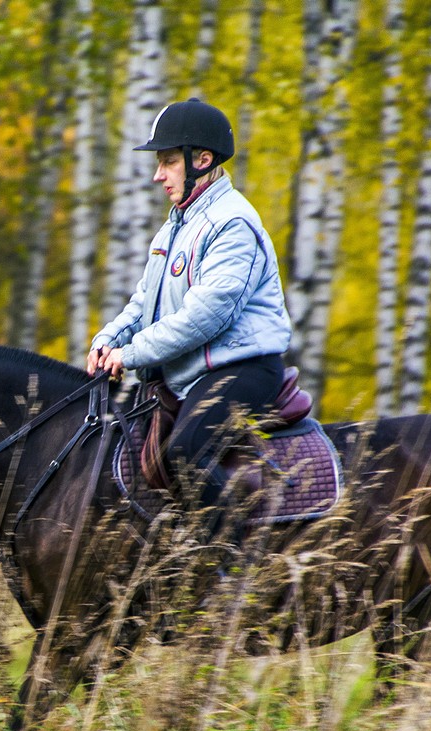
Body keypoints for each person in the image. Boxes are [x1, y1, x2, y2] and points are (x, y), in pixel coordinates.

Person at [86, 98, 291, 508]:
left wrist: (129, 354)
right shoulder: (174, 226)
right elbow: (144, 302)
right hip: (192, 372)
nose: (158, 175)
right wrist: (106, 341)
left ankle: (227, 563)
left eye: (167, 162)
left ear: (201, 159)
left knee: (185, 453)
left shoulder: (233, 224)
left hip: (241, 370)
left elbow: (205, 318)